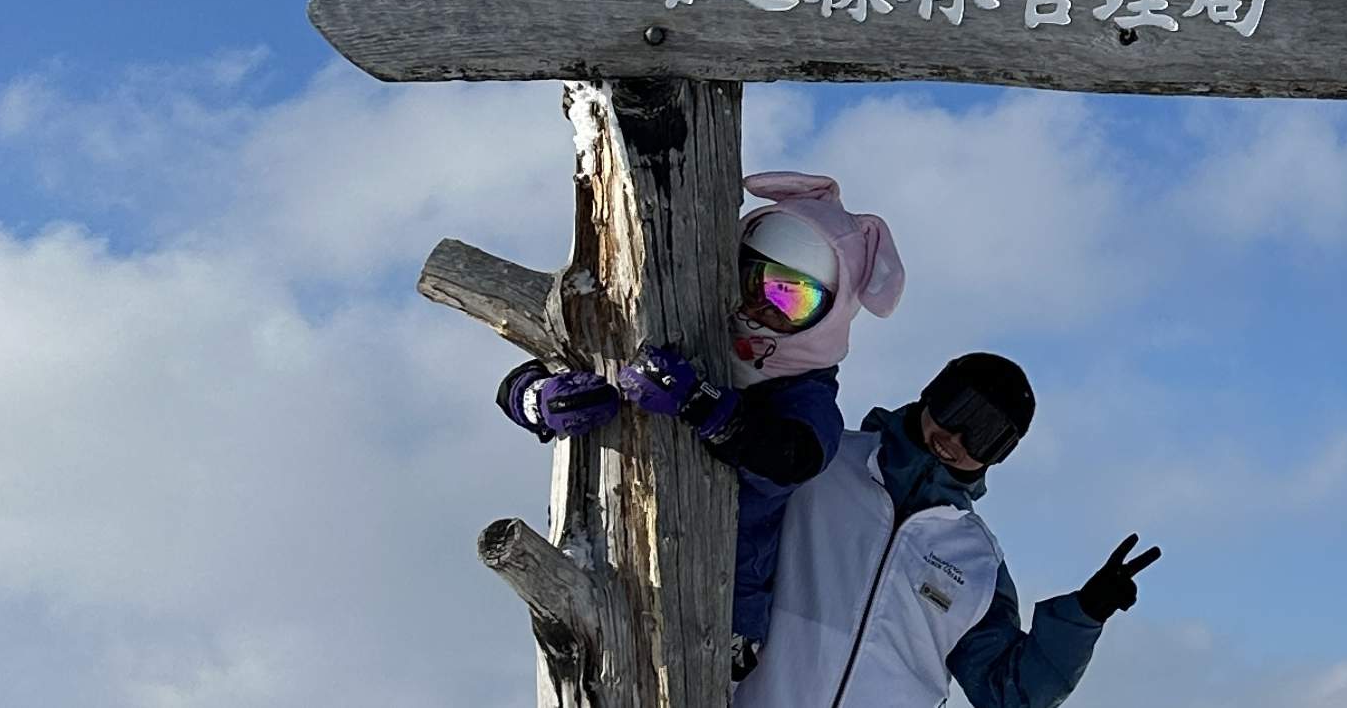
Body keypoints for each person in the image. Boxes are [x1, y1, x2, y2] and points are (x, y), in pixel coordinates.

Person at [492, 170, 906, 678]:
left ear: (830, 316)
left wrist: (706, 407)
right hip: (601, 570)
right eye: (749, 278)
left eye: (789, 298)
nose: (758, 308)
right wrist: (539, 398)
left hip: (715, 612)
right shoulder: (675, 315)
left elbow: (792, 455)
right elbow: (547, 364)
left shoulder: (803, 392)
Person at [729, 352, 1164, 708]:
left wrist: (1085, 615)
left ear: (998, 455)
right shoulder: (827, 461)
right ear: (933, 393)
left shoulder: (975, 560)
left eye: (984, 435)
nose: (955, 437)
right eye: (957, 409)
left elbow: (1009, 695)